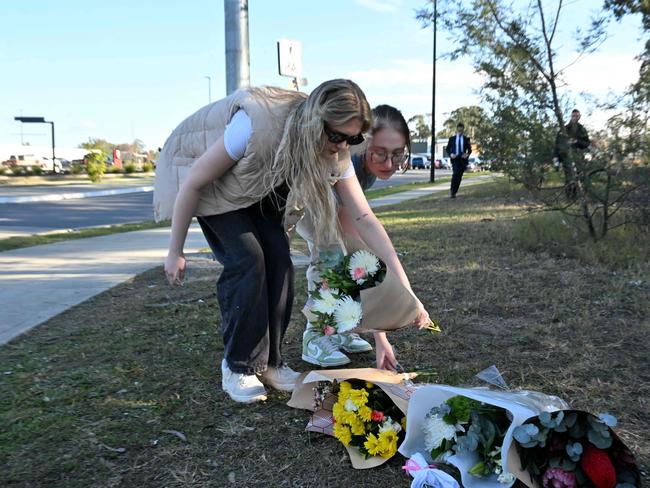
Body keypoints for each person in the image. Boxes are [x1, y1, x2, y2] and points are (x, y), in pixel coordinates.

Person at [154, 79, 431, 404]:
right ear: (315, 122)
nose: (342, 146)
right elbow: (193, 182)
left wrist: (409, 296)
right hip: (209, 183)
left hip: (257, 184)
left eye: (352, 139)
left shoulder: (336, 152)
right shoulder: (256, 125)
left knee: (280, 264)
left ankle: (270, 363)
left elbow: (365, 219)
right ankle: (238, 366)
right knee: (248, 260)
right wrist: (175, 250)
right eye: (336, 136)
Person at [298, 104, 411, 368]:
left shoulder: (366, 169)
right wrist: (381, 336)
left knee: (344, 256)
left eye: (398, 154)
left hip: (326, 203)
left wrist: (406, 292)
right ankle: (315, 337)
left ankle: (340, 330)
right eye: (380, 153)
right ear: (362, 141)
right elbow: (358, 250)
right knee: (333, 257)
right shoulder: (346, 161)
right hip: (300, 202)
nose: (389, 164)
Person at [554, 109, 590, 198]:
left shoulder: (582, 129)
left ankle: (577, 197)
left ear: (579, 117)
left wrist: (576, 142)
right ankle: (569, 197)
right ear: (571, 116)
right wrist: (556, 158)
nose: (575, 118)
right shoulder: (564, 129)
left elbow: (586, 143)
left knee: (578, 178)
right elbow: (557, 144)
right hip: (566, 158)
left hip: (578, 158)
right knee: (569, 178)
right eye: (573, 116)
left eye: (577, 116)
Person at [446, 122, 471, 198]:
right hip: (455, 159)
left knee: (459, 176)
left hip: (463, 160)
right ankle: (452, 191)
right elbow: (447, 149)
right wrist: (451, 154)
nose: (460, 132)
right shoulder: (452, 139)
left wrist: (467, 154)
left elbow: (469, 150)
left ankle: (454, 192)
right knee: (455, 174)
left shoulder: (466, 139)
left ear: (463, 130)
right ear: (457, 130)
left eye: (461, 130)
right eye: (459, 130)